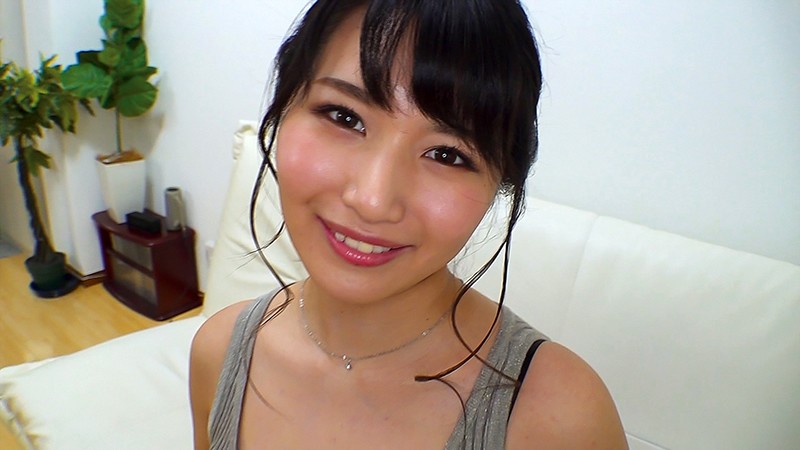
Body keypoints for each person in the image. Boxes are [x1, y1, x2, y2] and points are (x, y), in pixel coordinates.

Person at [190, 0, 627, 448]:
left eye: (447, 155)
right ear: (284, 105)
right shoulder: (218, 352)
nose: (373, 201)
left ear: (502, 183)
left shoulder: (560, 419)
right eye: (345, 117)